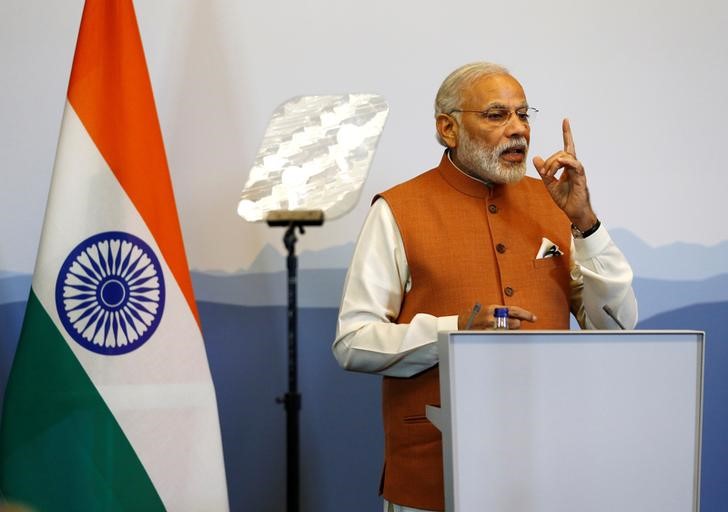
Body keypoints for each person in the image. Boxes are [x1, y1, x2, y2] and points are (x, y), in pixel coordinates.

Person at [332, 61, 638, 512]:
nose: (518, 130)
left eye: (523, 115)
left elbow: (617, 327)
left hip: (548, 464)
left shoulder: (556, 203)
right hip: (434, 471)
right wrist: (452, 334)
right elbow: (352, 341)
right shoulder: (397, 210)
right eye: (497, 115)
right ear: (448, 128)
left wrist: (585, 223)